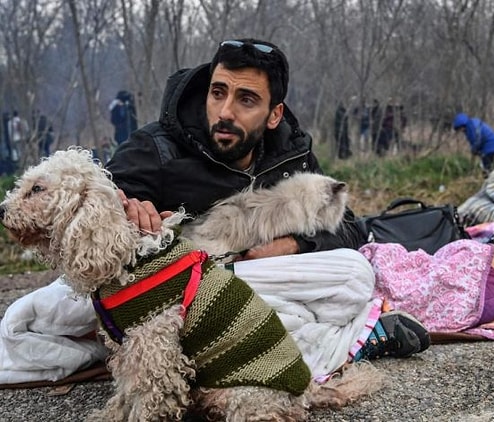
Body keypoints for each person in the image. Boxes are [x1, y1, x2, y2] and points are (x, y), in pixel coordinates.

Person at [0, 38, 430, 386]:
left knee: (355, 272)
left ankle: (236, 343)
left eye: (246, 100)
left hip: (246, 278)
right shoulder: (158, 147)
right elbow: (99, 196)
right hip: (163, 289)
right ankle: (331, 339)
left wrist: (289, 244)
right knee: (35, 318)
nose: (225, 111)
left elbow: (350, 226)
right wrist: (129, 205)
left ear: (274, 114)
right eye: (218, 92)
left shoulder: (291, 157)